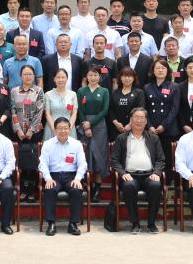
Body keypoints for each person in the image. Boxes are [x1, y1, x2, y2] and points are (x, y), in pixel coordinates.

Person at [110, 107, 165, 234]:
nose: (139, 121)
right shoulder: (121, 138)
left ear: (146, 121)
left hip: (149, 175)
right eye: (136, 117)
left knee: (156, 186)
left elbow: (161, 159)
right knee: (129, 186)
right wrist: (123, 173)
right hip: (130, 175)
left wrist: (156, 173)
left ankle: (151, 223)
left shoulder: (153, 138)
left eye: (142, 118)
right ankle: (135, 223)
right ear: (131, 120)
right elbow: (114, 160)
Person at [39, 116, 88, 236]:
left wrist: (77, 179)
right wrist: (48, 178)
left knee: (76, 190)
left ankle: (73, 224)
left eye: (65, 128)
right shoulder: (48, 144)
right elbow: (42, 164)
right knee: (50, 189)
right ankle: (51, 223)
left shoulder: (76, 144)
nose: (63, 131)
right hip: (53, 176)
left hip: (71, 176)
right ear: (55, 130)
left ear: (70, 129)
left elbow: (83, 164)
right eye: (60, 128)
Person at [11, 65, 45, 201]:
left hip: (34, 132)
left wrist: (31, 129)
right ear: (21, 76)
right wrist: (18, 129)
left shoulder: (39, 91)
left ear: (34, 76)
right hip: (18, 132)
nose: (28, 76)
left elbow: (39, 112)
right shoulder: (14, 91)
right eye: (25, 74)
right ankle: (22, 190)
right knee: (21, 161)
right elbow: (13, 110)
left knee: (33, 160)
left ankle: (32, 191)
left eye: (30, 74)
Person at [77, 66, 110, 201]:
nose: (93, 78)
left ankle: (97, 188)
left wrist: (91, 123)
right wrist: (85, 125)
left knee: (98, 155)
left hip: (99, 126)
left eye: (95, 75)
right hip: (84, 125)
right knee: (85, 154)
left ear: (100, 77)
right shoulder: (81, 91)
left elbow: (105, 110)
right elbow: (79, 109)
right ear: (86, 77)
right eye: (90, 75)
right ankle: (86, 185)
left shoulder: (104, 91)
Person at [143, 58, 179, 159]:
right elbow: (144, 108)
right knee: (151, 157)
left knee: (167, 158)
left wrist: (164, 125)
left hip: (168, 128)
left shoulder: (174, 86)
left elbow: (175, 108)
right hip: (151, 128)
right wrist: (149, 126)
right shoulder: (147, 87)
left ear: (167, 70)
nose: (160, 70)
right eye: (157, 68)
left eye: (163, 68)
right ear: (153, 71)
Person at [109, 67, 145, 138]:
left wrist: (130, 124)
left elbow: (141, 109)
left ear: (133, 78)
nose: (127, 78)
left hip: (134, 128)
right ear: (120, 78)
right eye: (124, 76)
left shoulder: (139, 93)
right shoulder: (114, 93)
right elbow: (110, 110)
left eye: (129, 76)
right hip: (116, 128)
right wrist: (116, 123)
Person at [44, 69, 78, 140]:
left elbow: (74, 114)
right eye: (58, 77)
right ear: (54, 79)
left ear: (67, 79)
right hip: (52, 128)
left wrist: (68, 128)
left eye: (63, 77)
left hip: (69, 128)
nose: (61, 80)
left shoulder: (73, 94)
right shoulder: (48, 94)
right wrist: (55, 129)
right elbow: (47, 114)